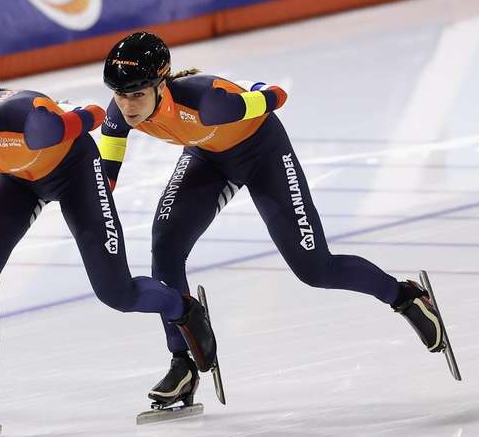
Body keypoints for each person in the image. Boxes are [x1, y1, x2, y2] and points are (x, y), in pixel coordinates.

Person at [98, 32, 451, 408]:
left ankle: (407, 297)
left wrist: (253, 95)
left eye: (137, 95)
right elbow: (106, 176)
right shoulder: (118, 113)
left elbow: (277, 95)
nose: (128, 105)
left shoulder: (209, 101)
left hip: (262, 152)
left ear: (161, 84)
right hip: (207, 157)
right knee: (165, 245)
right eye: (120, 94)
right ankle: (182, 363)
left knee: (315, 269)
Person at [0, 71, 220, 433]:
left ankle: (184, 310)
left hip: (73, 171)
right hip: (14, 180)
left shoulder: (29, 119)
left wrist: (67, 118)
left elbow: (93, 113)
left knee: (116, 292)